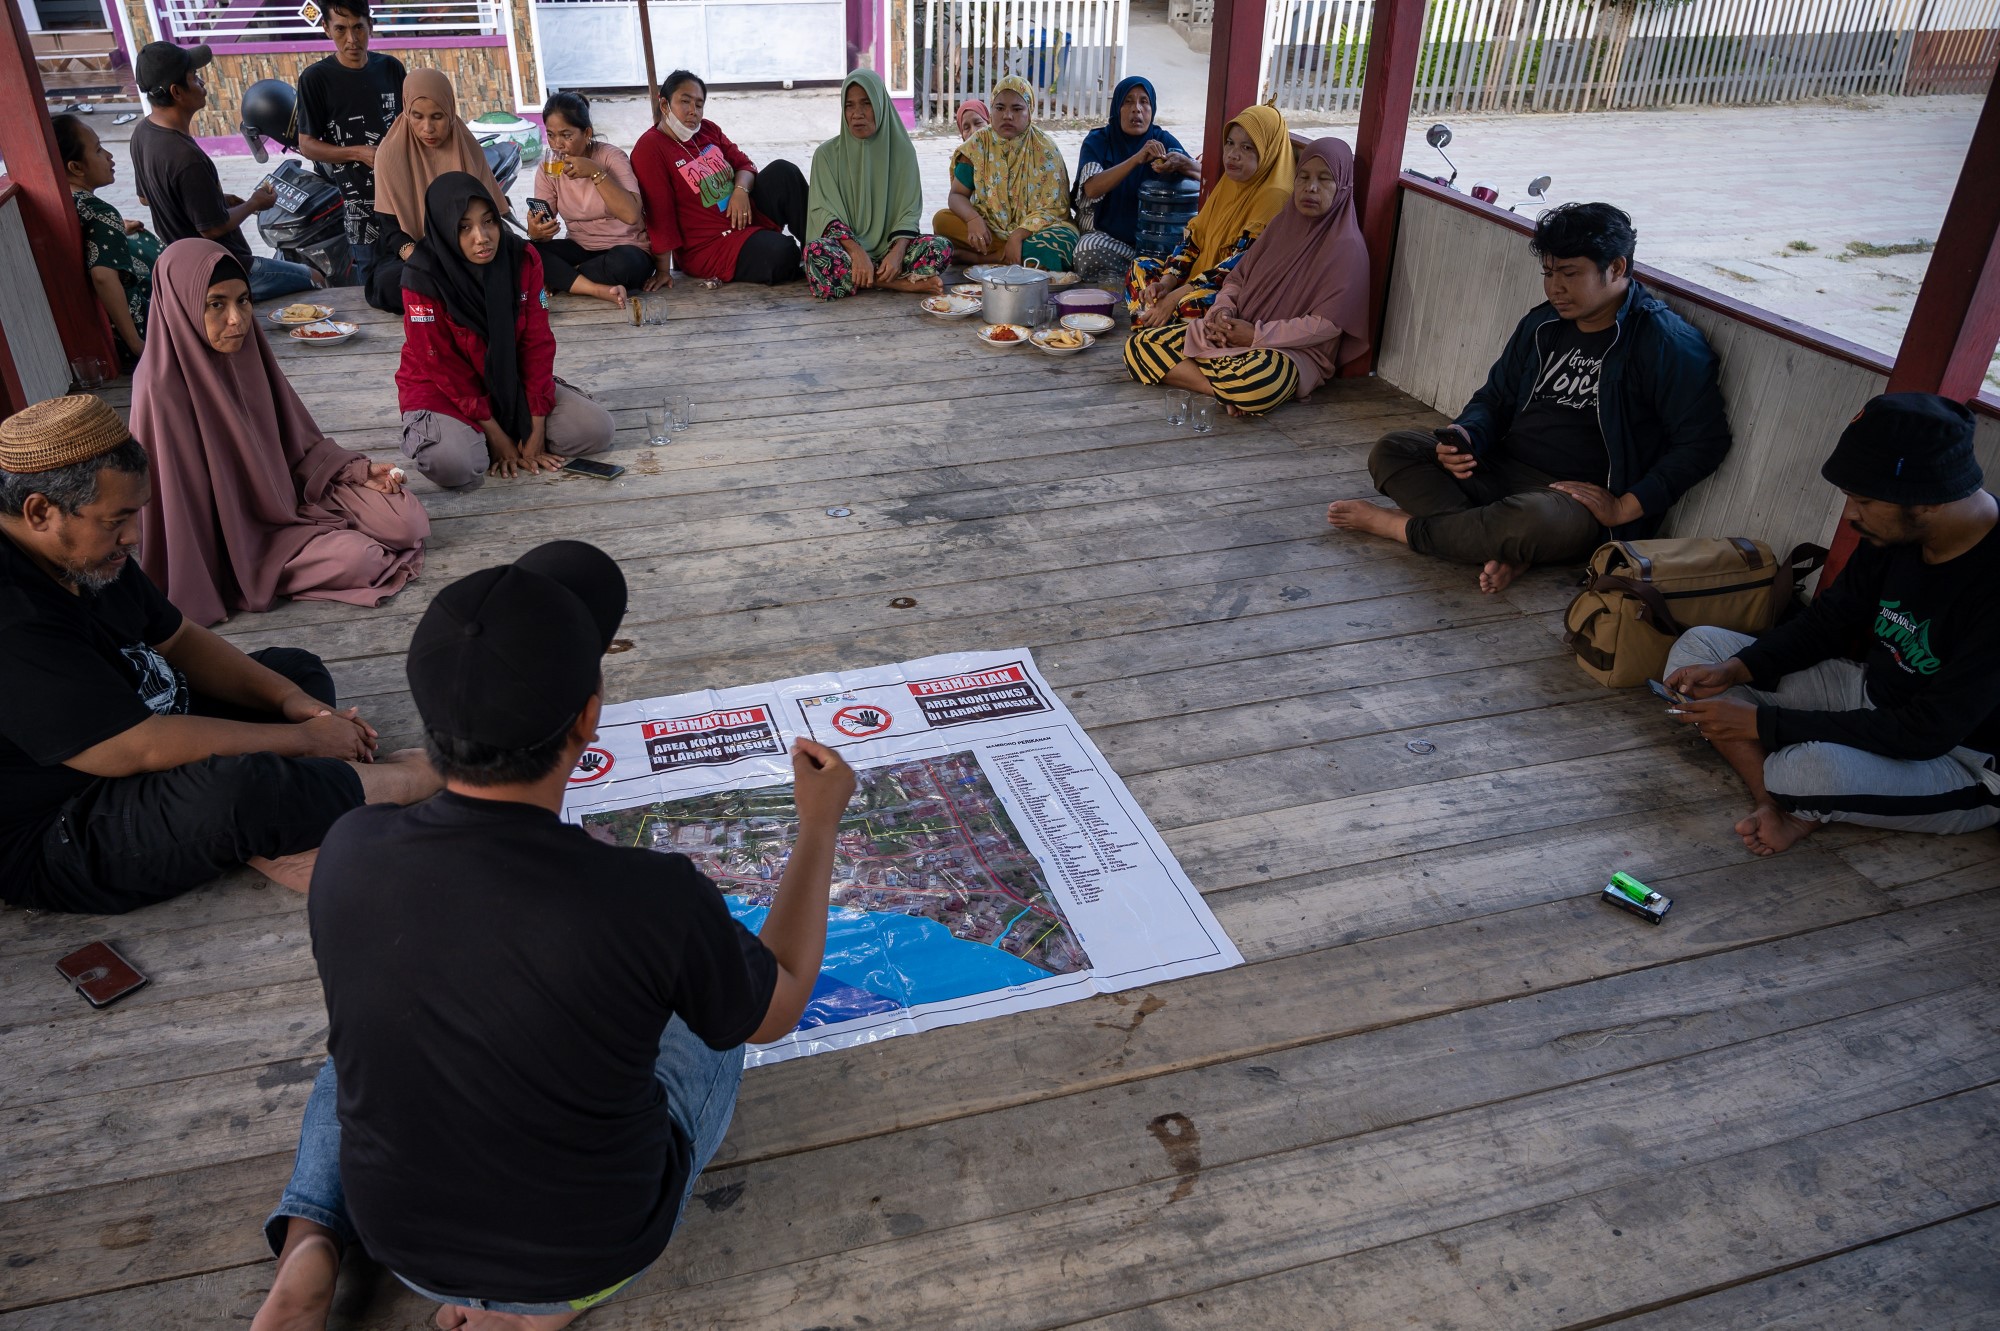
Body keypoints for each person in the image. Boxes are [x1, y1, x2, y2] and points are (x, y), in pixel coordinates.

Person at [246, 544, 857, 1331]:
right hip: (589, 1251)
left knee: (366, 1043)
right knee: (724, 1008)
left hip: (402, 1240)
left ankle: (309, 1250)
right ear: (589, 717)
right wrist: (818, 825)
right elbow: (779, 1004)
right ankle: (540, 1310)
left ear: (431, 724)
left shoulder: (352, 851)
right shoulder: (651, 897)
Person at [0, 394, 439, 915]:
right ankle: (403, 779)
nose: (134, 537)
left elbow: (179, 638)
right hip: (68, 825)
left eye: (136, 514)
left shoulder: (79, 551)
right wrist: (302, 740)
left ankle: (274, 827)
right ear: (39, 511)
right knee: (240, 788)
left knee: (291, 672)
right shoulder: (13, 614)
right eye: (116, 520)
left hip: (146, 735)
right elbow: (128, 748)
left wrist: (294, 705)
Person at [1328, 202, 1732, 595]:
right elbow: (1496, 397)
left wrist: (1626, 506)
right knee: (1393, 449)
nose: (1555, 287)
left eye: (1570, 273)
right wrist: (1467, 435)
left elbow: (1704, 441)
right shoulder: (1543, 323)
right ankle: (1499, 545)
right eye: (1549, 272)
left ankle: (1398, 526)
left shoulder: (1664, 342)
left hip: (1569, 501)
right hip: (1501, 469)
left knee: (1529, 521)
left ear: (1617, 268)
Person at [1664, 394, 2000, 857]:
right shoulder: (1897, 530)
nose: (1851, 514)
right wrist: (1738, 670)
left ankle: (1793, 794)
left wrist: (1765, 723)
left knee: (1801, 770)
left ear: (1925, 501)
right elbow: (1828, 621)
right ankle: (1776, 805)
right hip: (1870, 694)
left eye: (1862, 499)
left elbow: (1928, 731)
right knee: (1699, 650)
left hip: (1958, 757)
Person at [131, 239, 428, 627]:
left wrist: (354, 473)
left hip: (296, 499)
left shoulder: (247, 354)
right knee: (364, 560)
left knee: (407, 522)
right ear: (180, 305)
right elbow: (181, 517)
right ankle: (319, 555)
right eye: (216, 304)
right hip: (246, 543)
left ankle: (331, 542)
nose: (237, 319)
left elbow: (299, 444)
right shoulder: (161, 390)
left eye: (243, 301)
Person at [398, 173, 616, 491]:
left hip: (511, 382)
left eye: (488, 222)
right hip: (444, 391)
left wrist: (537, 426)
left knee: (596, 431)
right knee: (455, 467)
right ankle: (476, 439)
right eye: (464, 227)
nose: (482, 237)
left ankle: (492, 439)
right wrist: (496, 436)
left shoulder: (521, 258)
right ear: (444, 229)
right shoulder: (422, 276)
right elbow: (441, 365)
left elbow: (536, 344)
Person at [1125, 138, 1369, 420]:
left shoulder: (1346, 246)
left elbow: (1327, 326)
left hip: (1287, 351)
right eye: (1303, 177)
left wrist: (1256, 335)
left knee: (1257, 383)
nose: (1310, 187)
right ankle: (1221, 390)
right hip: (1234, 330)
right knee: (1139, 346)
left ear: (1343, 186)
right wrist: (1221, 312)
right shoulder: (1282, 224)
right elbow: (1236, 279)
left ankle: (1219, 380)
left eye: (1324, 179)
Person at [127, 41, 322, 303]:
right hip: (222, 269)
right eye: (193, 78)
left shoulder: (143, 132)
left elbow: (146, 197)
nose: (201, 82)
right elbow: (213, 229)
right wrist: (255, 203)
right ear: (177, 92)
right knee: (315, 278)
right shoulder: (186, 157)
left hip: (188, 265)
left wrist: (212, 198)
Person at [630, 70, 810, 288]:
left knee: (784, 171)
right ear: (665, 105)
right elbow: (660, 213)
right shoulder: (650, 147)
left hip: (744, 216)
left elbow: (744, 164)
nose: (692, 112)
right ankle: (774, 247)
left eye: (698, 105)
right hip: (709, 246)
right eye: (684, 102)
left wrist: (740, 191)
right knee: (783, 252)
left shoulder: (707, 130)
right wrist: (661, 269)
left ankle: (822, 250)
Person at [1126, 105, 1292, 326]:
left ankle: (1151, 321)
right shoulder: (1231, 181)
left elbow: (1235, 269)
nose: (1233, 155)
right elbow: (1194, 240)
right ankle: (1156, 321)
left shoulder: (1274, 196)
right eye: (1230, 143)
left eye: (1247, 147)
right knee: (1140, 267)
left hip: (1234, 292)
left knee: (1187, 306)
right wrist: (1166, 284)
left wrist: (1174, 297)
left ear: (1269, 151)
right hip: (1199, 278)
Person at [366, 67, 511, 314]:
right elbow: (392, 232)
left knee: (512, 262)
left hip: (467, 248)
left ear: (451, 112)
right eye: (417, 116)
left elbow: (489, 217)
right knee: (391, 283)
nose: (428, 128)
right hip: (414, 254)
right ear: (406, 112)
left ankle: (452, 299)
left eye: (437, 116)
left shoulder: (467, 148)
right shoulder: (389, 153)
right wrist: (426, 262)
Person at [802, 70, 952, 301]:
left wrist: (897, 253)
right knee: (817, 254)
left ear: (881, 105)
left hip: (889, 250)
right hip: (847, 251)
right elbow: (824, 212)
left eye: (866, 103)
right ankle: (898, 284)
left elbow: (909, 211)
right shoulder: (826, 155)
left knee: (940, 247)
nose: (857, 114)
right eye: (849, 105)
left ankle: (870, 277)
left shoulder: (902, 152)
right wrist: (857, 252)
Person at [294, 0, 405, 287]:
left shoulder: (391, 69)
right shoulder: (315, 79)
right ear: (326, 29)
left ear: (371, 25)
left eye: (358, 27)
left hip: (404, 200)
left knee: (414, 280)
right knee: (371, 285)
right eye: (341, 29)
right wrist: (359, 153)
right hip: (360, 209)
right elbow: (307, 144)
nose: (352, 39)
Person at [53, 112, 164, 366]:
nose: (110, 156)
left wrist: (117, 231)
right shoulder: (101, 212)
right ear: (76, 167)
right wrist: (137, 344)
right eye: (99, 150)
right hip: (140, 331)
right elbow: (103, 276)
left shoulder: (68, 203)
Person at [933, 76, 1077, 271]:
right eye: (1000, 108)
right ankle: (1006, 256)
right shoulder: (977, 145)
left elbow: (1055, 209)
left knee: (1058, 244)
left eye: (1017, 109)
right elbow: (957, 195)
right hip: (991, 229)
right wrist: (973, 219)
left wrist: (1017, 235)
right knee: (942, 221)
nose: (1007, 115)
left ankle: (980, 258)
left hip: (1034, 232)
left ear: (1029, 112)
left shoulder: (1046, 149)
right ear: (991, 111)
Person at [527, 91, 652, 307]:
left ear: (587, 133)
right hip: (580, 247)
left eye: (567, 135)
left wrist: (596, 173)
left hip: (625, 248)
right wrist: (536, 231)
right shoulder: (549, 168)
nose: (558, 144)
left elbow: (631, 215)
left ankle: (563, 278)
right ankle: (596, 288)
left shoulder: (611, 157)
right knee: (523, 252)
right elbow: (545, 225)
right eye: (551, 135)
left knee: (624, 265)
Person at [1071, 75, 1198, 285]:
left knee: (1187, 253)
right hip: (1109, 239)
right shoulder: (1099, 141)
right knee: (1086, 251)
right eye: (1128, 101)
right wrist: (1136, 159)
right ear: (1117, 109)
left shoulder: (1163, 140)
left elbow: (1204, 177)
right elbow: (1092, 189)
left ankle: (1143, 277)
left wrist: (1183, 163)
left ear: (1152, 108)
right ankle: (1139, 278)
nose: (1136, 109)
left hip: (1153, 242)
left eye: (1144, 102)